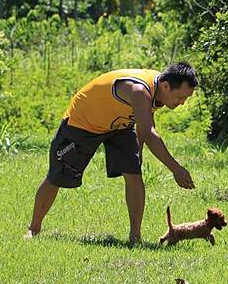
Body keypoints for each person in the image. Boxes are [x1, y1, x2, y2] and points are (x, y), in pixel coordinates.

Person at [25, 62, 197, 246]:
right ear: (166, 86)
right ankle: (33, 229)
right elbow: (148, 132)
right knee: (57, 176)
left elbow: (144, 124)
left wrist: (135, 156)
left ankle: (135, 238)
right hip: (83, 124)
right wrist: (176, 169)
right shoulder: (140, 90)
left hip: (119, 125)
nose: (182, 103)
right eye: (180, 97)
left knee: (134, 175)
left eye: (185, 99)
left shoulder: (160, 87)